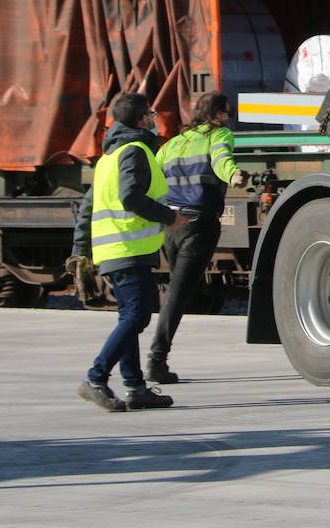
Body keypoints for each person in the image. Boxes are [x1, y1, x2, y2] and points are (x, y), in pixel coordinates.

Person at [67, 92, 183, 412]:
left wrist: (80, 250)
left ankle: (135, 387)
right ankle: (95, 377)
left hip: (115, 250)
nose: (155, 117)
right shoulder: (135, 152)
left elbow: (87, 209)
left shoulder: (107, 159)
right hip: (128, 248)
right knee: (137, 316)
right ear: (141, 119)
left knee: (129, 318)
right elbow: (131, 197)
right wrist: (169, 216)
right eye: (151, 112)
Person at [147, 92, 247, 383]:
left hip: (171, 225)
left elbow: (153, 176)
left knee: (177, 291)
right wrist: (233, 176)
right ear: (215, 114)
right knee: (179, 294)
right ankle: (156, 360)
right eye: (226, 112)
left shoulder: (174, 143)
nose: (228, 118)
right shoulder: (219, 135)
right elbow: (221, 160)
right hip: (199, 223)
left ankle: (157, 358)